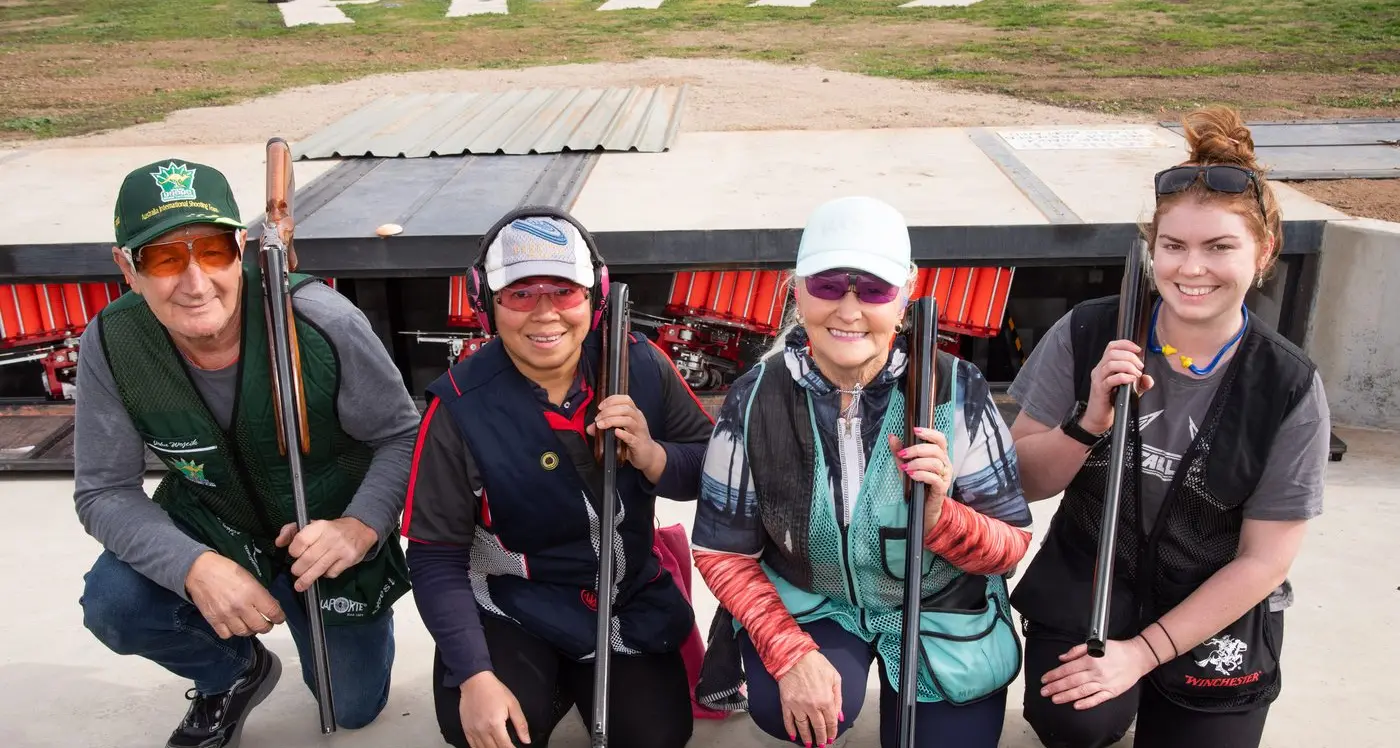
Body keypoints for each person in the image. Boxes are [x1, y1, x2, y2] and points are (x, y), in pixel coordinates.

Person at [1005, 106, 1331, 748]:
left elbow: (1264, 561)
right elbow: (1023, 482)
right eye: (1173, 246)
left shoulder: (1289, 385)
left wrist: (1141, 653)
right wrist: (1088, 421)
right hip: (1093, 576)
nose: (1191, 269)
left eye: (1219, 247)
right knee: (1075, 722)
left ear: (1264, 252)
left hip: (1214, 599)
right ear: (1152, 248)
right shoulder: (1087, 332)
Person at [74, 159, 421, 748]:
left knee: (354, 706)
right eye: (162, 257)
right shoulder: (112, 344)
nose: (194, 281)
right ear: (126, 267)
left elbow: (404, 436)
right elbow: (104, 491)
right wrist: (193, 566)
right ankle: (233, 672)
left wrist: (359, 528)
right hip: (214, 522)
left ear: (240, 248)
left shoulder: (323, 322)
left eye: (210, 250)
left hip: (326, 539)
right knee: (116, 604)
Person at [690, 196, 1035, 748]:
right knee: (791, 712)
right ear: (795, 289)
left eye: (873, 289)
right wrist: (789, 652)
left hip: (939, 604)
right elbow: (721, 552)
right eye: (828, 284)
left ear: (907, 294)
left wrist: (942, 517)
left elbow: (1012, 544)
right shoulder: (754, 396)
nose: (849, 310)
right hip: (814, 598)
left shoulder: (958, 388)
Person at [401, 207, 717, 748]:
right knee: (486, 729)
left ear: (595, 296)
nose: (545, 313)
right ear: (485, 303)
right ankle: (541, 678)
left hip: (625, 596)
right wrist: (475, 676)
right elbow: (434, 557)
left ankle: (570, 678)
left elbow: (712, 474)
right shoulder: (458, 405)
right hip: (514, 603)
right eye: (520, 293)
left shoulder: (643, 364)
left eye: (564, 291)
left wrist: (652, 455)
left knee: (657, 736)